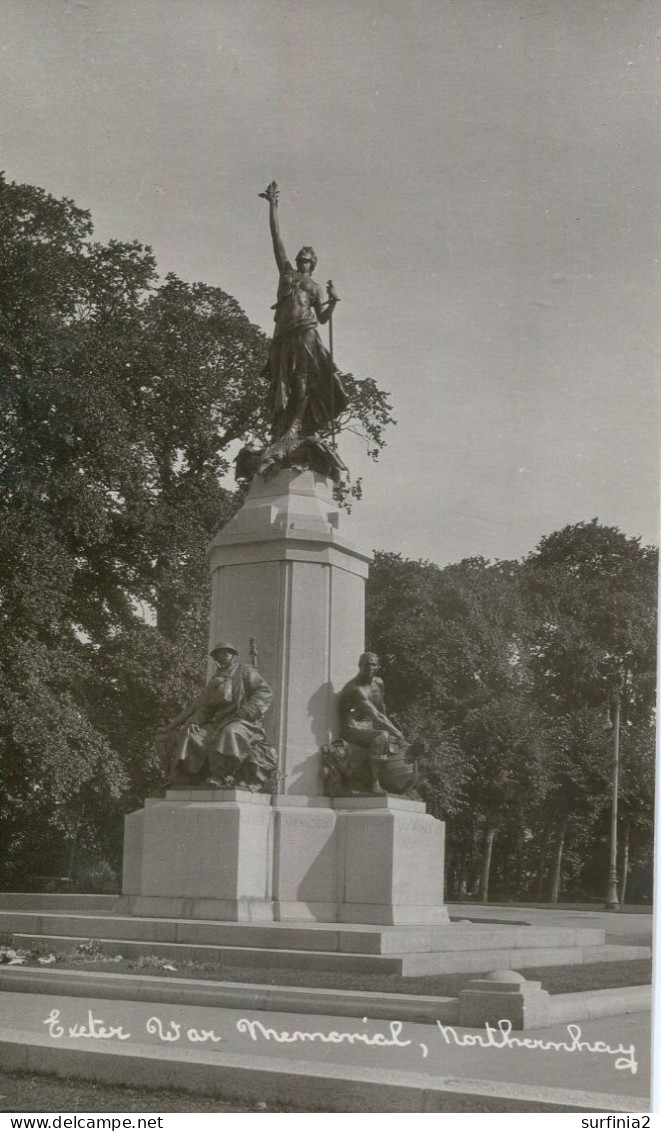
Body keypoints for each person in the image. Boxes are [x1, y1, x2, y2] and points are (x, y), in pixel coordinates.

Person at [259, 180, 348, 445]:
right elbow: (277, 240)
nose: (300, 261)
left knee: (302, 381)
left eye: (305, 260)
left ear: (313, 264)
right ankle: (281, 431)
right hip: (282, 335)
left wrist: (333, 301)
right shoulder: (286, 273)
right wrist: (273, 207)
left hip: (306, 334)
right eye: (299, 258)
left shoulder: (315, 287)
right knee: (279, 384)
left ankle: (297, 428)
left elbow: (322, 318)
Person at [158, 642, 278, 791]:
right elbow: (205, 708)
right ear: (216, 657)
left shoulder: (245, 671)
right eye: (221, 653)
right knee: (194, 735)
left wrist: (246, 711)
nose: (226, 655)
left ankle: (224, 775)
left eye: (229, 652)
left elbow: (264, 693)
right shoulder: (215, 680)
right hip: (218, 722)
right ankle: (190, 777)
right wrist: (195, 721)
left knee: (230, 733)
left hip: (244, 722)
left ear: (233, 656)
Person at [337, 652, 409, 795]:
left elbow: (381, 709)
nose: (370, 667)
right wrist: (398, 734)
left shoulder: (378, 683)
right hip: (352, 728)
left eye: (373, 664)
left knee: (388, 737)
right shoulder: (355, 688)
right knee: (382, 736)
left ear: (378, 666)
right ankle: (374, 784)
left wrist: (394, 734)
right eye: (366, 664)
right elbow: (376, 715)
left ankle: (396, 783)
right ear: (359, 665)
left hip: (369, 726)